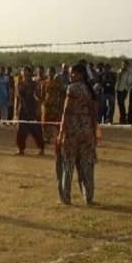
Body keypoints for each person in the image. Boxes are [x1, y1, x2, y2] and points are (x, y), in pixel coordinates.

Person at [57, 64, 99, 205]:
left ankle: (66, 197)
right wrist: (94, 131)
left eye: (72, 73)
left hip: (72, 130)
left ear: (80, 74)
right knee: (87, 165)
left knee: (68, 164)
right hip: (87, 130)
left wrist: (61, 132)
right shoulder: (89, 89)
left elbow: (66, 111)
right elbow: (93, 113)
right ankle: (89, 197)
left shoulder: (72, 88)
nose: (70, 75)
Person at [15, 66, 45, 155]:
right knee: (21, 129)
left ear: (30, 73)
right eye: (23, 72)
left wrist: (38, 108)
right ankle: (20, 149)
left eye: (27, 72)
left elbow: (39, 97)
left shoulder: (35, 84)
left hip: (32, 108)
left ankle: (41, 148)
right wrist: (16, 110)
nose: (25, 74)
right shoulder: (19, 84)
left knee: (36, 129)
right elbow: (17, 98)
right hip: (23, 108)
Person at [41, 67, 65, 145]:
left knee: (57, 122)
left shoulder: (58, 83)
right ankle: (47, 136)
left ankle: (59, 137)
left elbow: (62, 93)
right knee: (45, 121)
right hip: (47, 105)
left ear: (54, 73)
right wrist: (42, 102)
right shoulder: (45, 83)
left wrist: (61, 103)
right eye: (49, 72)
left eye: (51, 72)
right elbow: (42, 94)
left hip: (55, 105)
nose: (50, 74)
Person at [115, 60, 130, 124]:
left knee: (122, 102)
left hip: (124, 89)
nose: (123, 66)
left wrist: (126, 89)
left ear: (127, 65)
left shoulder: (128, 73)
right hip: (119, 89)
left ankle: (123, 118)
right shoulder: (119, 71)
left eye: (125, 64)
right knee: (120, 104)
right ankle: (122, 117)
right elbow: (117, 80)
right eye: (122, 64)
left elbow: (129, 82)